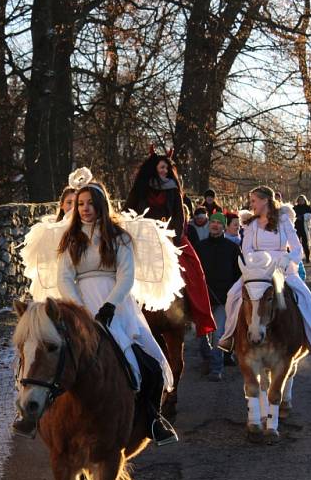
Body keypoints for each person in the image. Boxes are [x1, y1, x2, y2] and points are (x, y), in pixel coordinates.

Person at [57, 178, 178, 444]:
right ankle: (37, 415)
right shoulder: (70, 239)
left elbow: (126, 275)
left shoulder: (119, 237)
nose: (85, 208)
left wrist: (109, 306)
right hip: (80, 302)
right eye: (80, 204)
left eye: (90, 203)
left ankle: (153, 418)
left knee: (148, 362)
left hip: (117, 303)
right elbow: (64, 277)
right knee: (51, 357)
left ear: (101, 205)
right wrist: (79, 308)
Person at [218, 186, 311, 359]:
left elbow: (298, 249)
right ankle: (229, 337)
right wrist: (255, 265)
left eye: (254, 200)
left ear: (265, 201)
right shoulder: (251, 224)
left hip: (282, 268)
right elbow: (246, 251)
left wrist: (287, 259)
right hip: (257, 270)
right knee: (233, 295)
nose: (252, 204)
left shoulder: (283, 220)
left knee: (305, 297)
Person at [124, 151, 216, 337]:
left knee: (194, 267)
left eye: (167, 167)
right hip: (143, 235)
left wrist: (173, 237)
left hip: (170, 235)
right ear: (154, 169)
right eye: (161, 167)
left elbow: (179, 215)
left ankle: (197, 314)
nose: (165, 171)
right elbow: (128, 210)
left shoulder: (173, 187)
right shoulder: (141, 188)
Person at [196, 212, 242, 382]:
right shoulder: (200, 247)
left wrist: (234, 296)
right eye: (213, 222)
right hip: (203, 300)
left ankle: (216, 368)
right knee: (201, 337)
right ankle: (208, 358)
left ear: (224, 226)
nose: (215, 225)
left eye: (219, 223)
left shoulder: (232, 248)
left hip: (224, 300)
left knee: (218, 334)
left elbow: (239, 275)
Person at [293, 195, 311, 263]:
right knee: (296, 243)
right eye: (299, 200)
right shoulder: (295, 208)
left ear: (305, 200)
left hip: (304, 227)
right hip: (296, 227)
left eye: (302, 200)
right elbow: (291, 215)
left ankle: (307, 257)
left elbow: (310, 215)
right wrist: (296, 217)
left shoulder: (307, 207)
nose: (301, 201)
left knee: (305, 243)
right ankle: (296, 257)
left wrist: (303, 217)